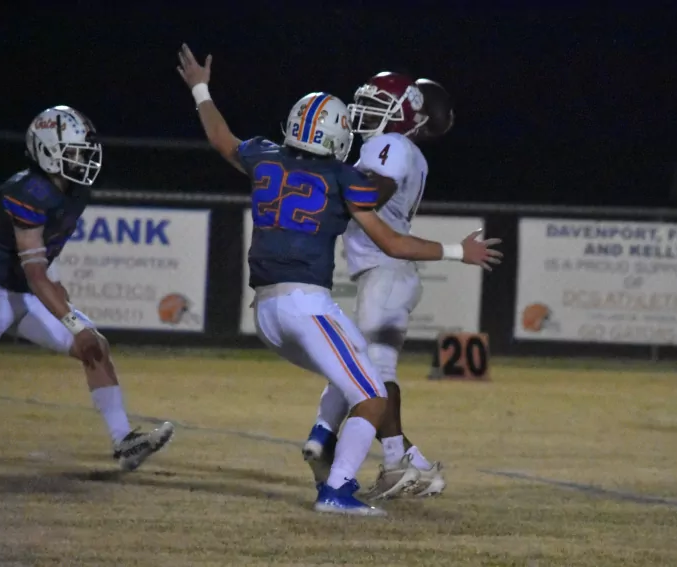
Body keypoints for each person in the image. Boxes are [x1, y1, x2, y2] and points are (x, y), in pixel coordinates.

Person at [176, 44, 501, 516]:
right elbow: (392, 240)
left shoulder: (265, 157)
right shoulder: (343, 178)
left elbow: (222, 139)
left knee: (357, 370)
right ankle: (339, 487)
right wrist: (456, 251)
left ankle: (330, 440)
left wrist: (201, 89)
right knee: (371, 393)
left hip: (264, 309)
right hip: (307, 305)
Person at [0, 105, 175, 471]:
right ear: (47, 150)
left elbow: (44, 262)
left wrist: (63, 302)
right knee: (84, 334)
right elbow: (35, 272)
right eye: (74, 152)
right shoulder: (26, 191)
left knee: (95, 347)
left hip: (23, 294)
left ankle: (124, 441)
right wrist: (72, 321)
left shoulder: (74, 191)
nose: (83, 160)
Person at [302, 72, 458, 500]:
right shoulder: (398, 148)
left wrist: (323, 182)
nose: (365, 113)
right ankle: (410, 462)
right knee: (355, 365)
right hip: (387, 272)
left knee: (373, 373)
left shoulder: (391, 144)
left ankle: (392, 461)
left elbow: (373, 193)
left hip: (387, 271)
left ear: (407, 113)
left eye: (377, 106)